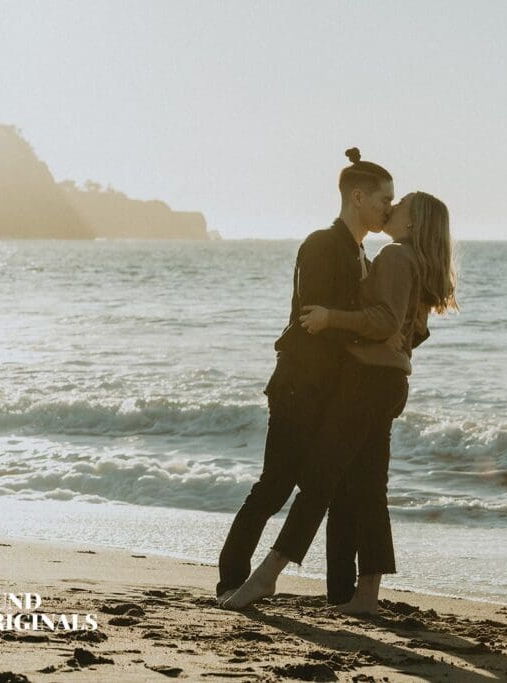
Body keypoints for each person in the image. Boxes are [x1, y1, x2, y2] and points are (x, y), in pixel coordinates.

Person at [223, 191, 458, 613]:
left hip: (367, 384)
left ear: (413, 223)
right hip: (390, 383)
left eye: (397, 205)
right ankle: (366, 595)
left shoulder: (394, 257)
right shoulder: (417, 263)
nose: (390, 209)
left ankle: (266, 577)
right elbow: (413, 330)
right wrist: (395, 356)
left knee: (318, 481)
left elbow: (385, 319)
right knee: (370, 489)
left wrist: (333, 318)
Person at [215, 148, 395, 603]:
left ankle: (340, 592)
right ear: (358, 197)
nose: (388, 209)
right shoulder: (321, 244)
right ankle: (232, 579)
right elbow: (312, 318)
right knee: (274, 487)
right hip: (299, 387)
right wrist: (361, 325)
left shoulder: (363, 256)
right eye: (383, 199)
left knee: (337, 490)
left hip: (332, 393)